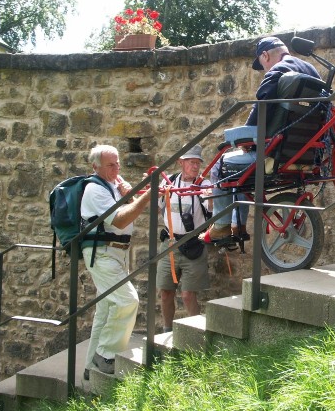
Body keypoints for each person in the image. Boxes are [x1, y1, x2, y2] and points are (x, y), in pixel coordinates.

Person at [200, 36, 321, 244]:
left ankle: (220, 227)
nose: (264, 69)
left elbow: (261, 110)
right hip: (306, 154)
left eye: (262, 63)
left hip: (274, 154)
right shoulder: (313, 72)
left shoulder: (278, 70)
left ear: (265, 55)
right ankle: (237, 225)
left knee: (219, 166)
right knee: (240, 174)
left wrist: (245, 138)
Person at [81, 144, 152, 379]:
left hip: (117, 255)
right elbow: (120, 221)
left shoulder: (113, 186)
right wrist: (146, 196)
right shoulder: (95, 190)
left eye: (118, 163)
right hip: (102, 255)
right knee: (127, 301)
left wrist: (131, 194)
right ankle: (106, 355)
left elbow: (125, 213)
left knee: (107, 310)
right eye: (111, 164)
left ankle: (91, 368)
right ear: (96, 167)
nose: (117, 168)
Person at [157, 144, 212, 332]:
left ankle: (196, 334)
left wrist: (210, 197)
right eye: (191, 162)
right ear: (181, 162)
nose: (195, 166)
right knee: (165, 292)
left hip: (193, 244)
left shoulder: (204, 184)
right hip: (170, 244)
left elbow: (212, 209)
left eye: (198, 163)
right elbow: (159, 207)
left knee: (188, 294)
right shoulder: (170, 182)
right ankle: (166, 330)